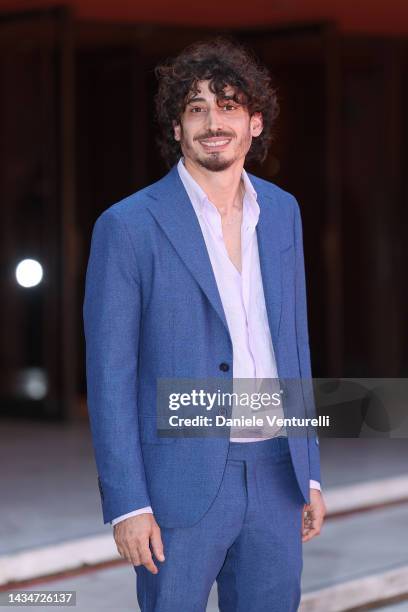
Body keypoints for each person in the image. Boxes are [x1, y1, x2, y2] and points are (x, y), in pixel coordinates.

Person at [83, 37, 326, 612]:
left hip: (275, 474)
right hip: (178, 486)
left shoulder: (283, 212)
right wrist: (127, 502)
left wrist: (308, 469)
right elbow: (110, 374)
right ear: (176, 129)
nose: (213, 122)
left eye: (229, 106)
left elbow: (294, 343)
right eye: (196, 109)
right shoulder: (128, 225)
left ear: (255, 122)